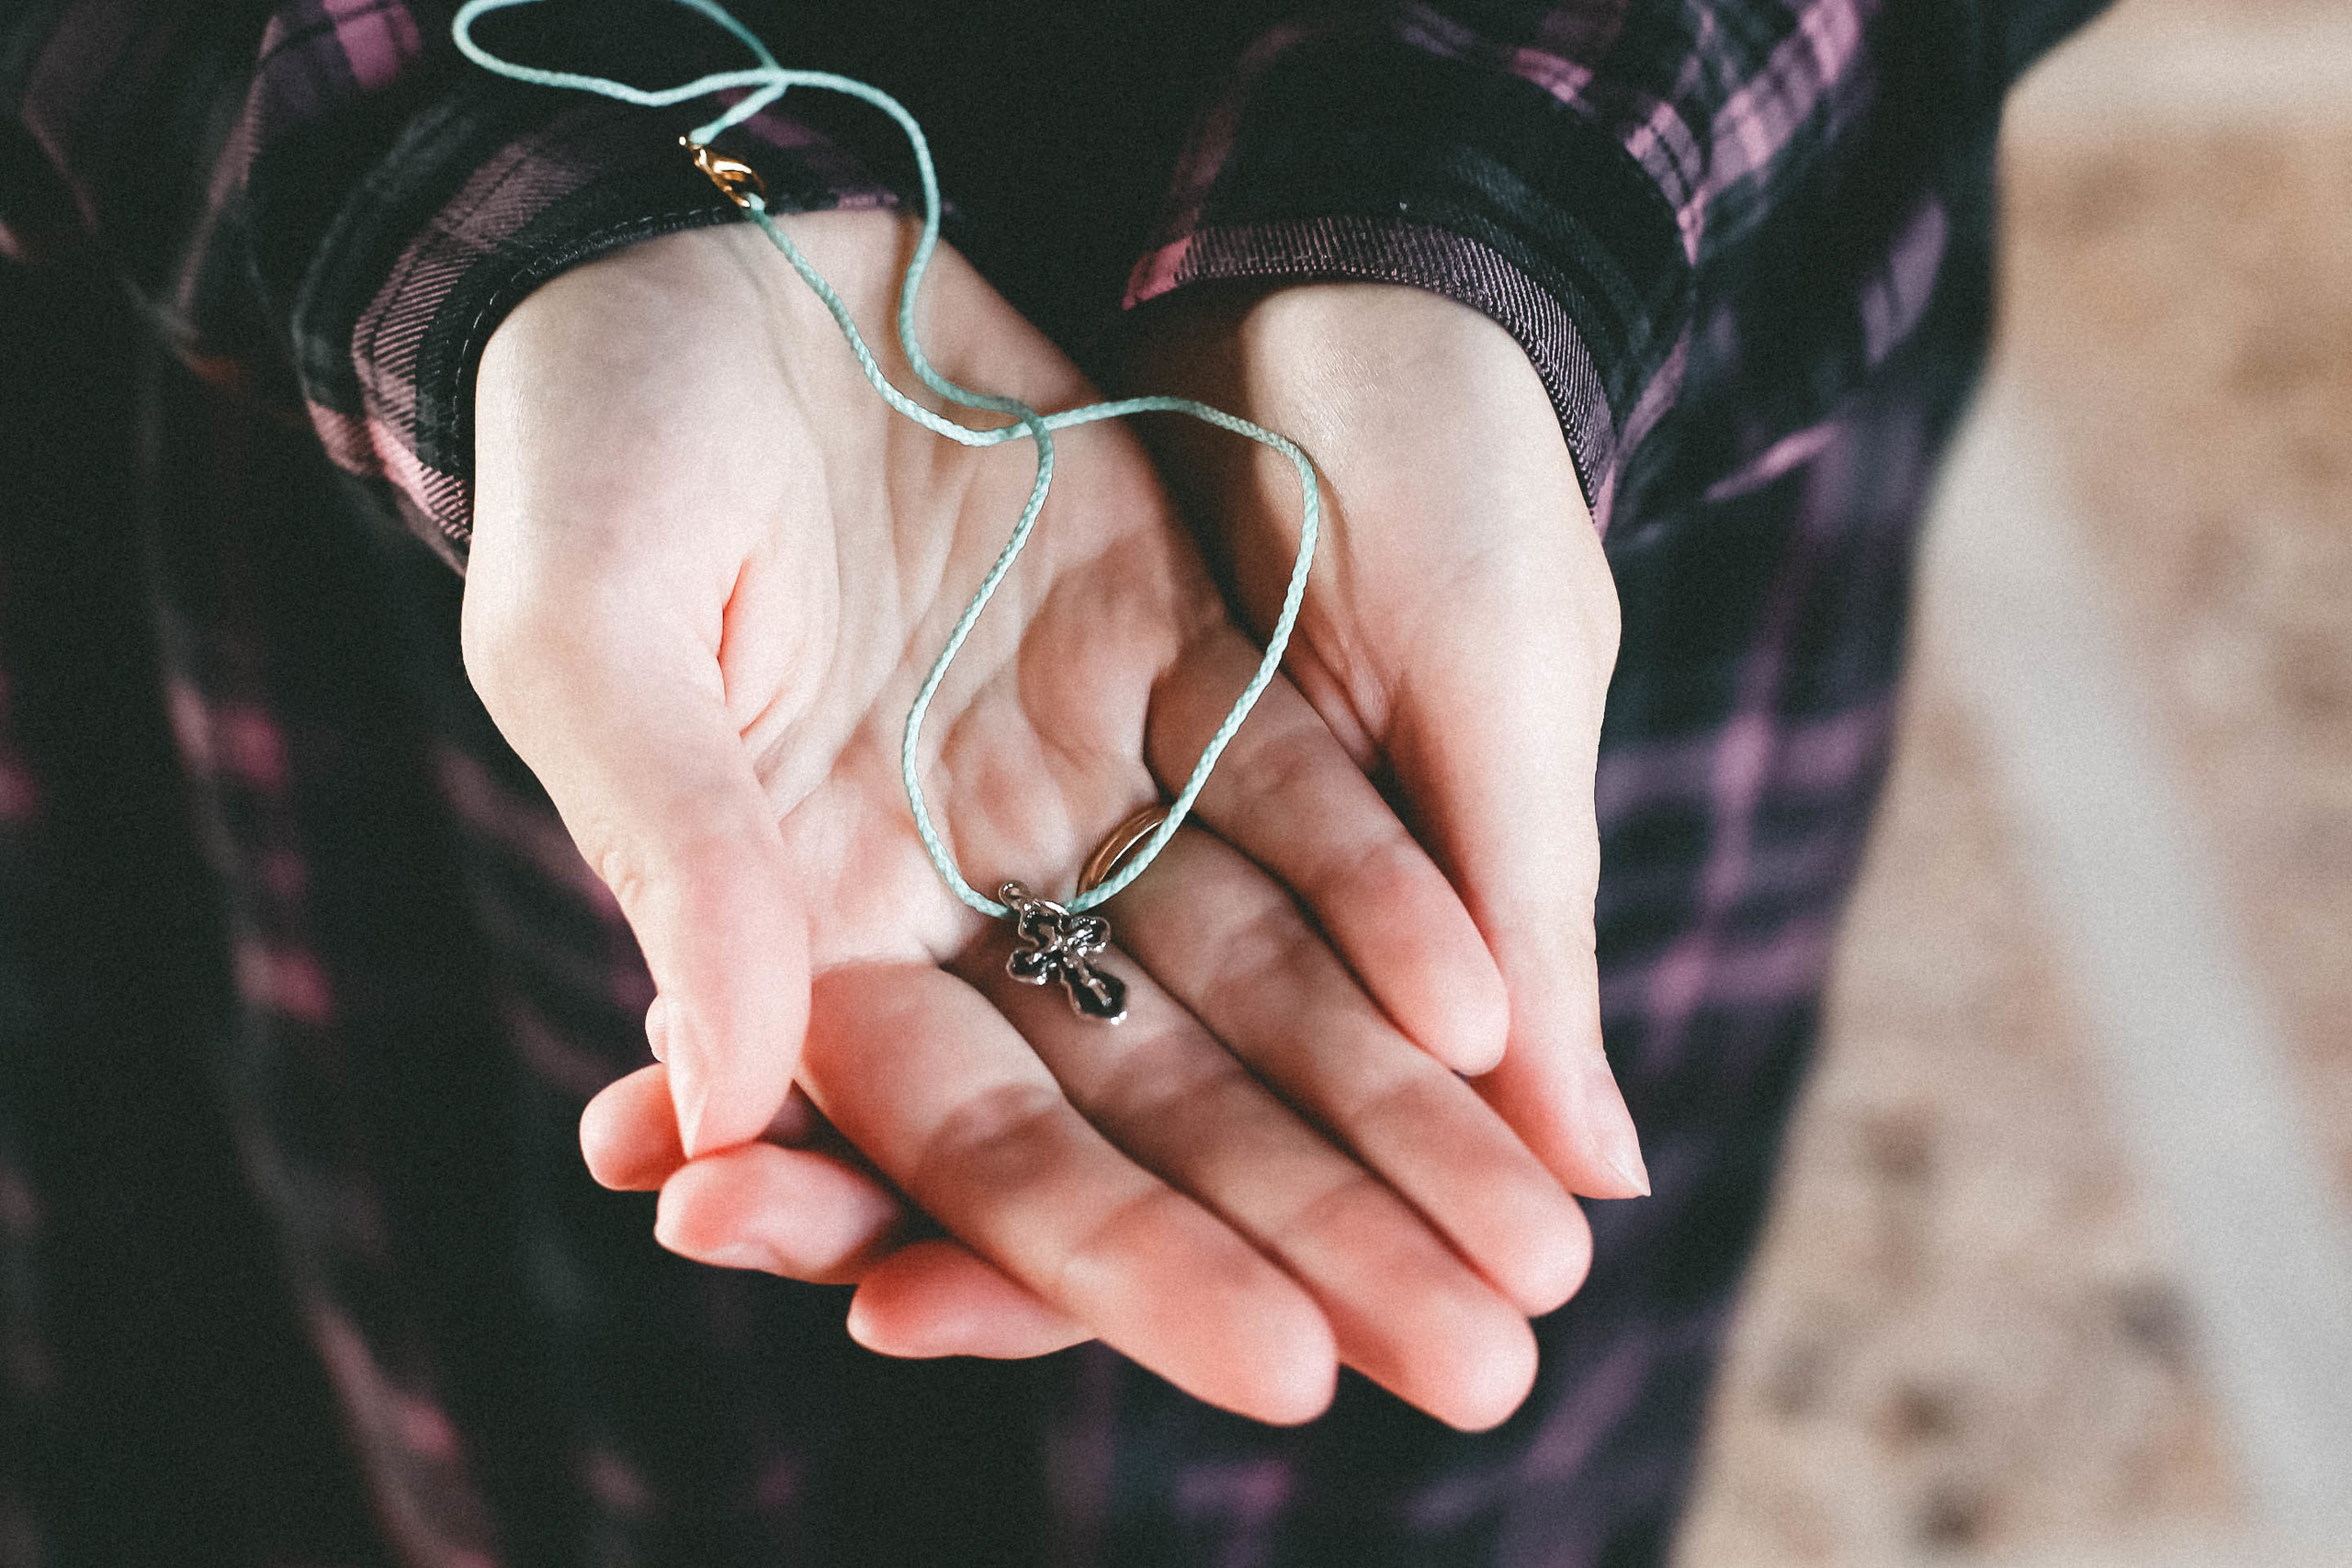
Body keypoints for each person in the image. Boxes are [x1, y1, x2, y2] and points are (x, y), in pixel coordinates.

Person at [0, 0, 2103, 1562]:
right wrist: (469, 171)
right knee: (394, 1404)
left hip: (1595, 427)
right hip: (375, 478)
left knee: (1414, 1405)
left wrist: (1479, 206)